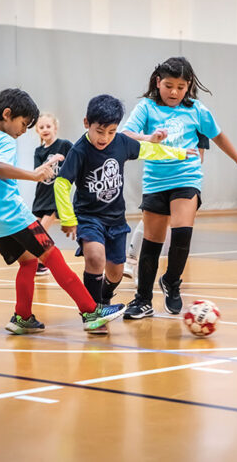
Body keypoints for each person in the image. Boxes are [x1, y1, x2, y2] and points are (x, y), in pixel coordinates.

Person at [0, 88, 125, 334]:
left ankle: (22, 317)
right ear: (7, 114)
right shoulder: (3, 140)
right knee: (53, 257)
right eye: (23, 124)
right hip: (13, 215)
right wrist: (34, 175)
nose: (24, 131)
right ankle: (91, 311)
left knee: (28, 262)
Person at [121, 57, 237, 319]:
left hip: (186, 177)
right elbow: (125, 135)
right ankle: (143, 300)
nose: (174, 92)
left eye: (180, 87)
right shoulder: (147, 108)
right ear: (158, 82)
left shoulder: (196, 109)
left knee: (182, 233)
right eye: (169, 86)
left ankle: (171, 281)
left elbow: (218, 136)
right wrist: (149, 138)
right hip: (155, 181)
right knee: (152, 241)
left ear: (189, 85)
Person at [54, 94, 192, 333]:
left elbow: (149, 150)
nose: (104, 138)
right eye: (99, 131)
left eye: (111, 131)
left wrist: (178, 153)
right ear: (87, 123)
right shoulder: (79, 150)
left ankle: (104, 296)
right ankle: (92, 311)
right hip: (89, 217)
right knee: (95, 257)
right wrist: (67, 218)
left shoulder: (121, 143)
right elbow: (61, 183)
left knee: (116, 272)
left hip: (116, 220)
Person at [123, 131, 210, 279]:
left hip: (181, 181)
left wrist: (184, 162)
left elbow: (199, 157)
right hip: (160, 178)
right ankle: (131, 261)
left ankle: (136, 267)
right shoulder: (163, 124)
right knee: (152, 222)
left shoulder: (200, 125)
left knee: (166, 228)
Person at [31, 113, 73, 276]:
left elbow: (78, 158)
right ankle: (42, 262)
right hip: (41, 196)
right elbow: (36, 172)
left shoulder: (64, 145)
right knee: (34, 233)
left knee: (41, 231)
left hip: (55, 197)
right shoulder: (38, 151)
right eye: (41, 127)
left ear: (55, 128)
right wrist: (52, 160)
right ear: (37, 131)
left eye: (48, 126)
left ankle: (43, 263)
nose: (45, 129)